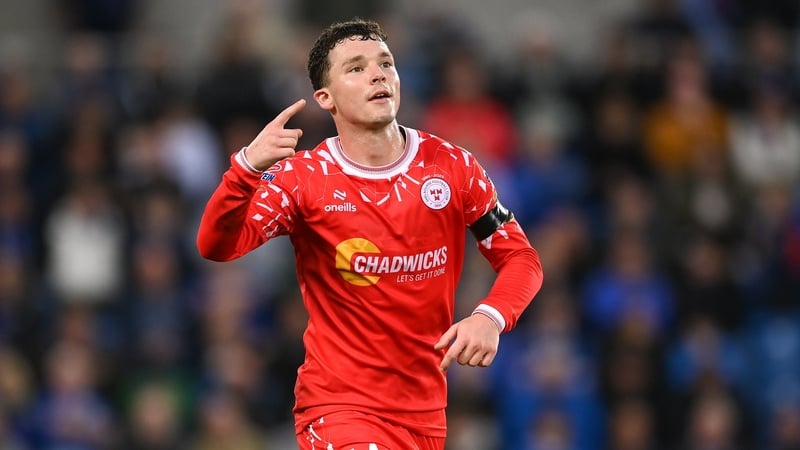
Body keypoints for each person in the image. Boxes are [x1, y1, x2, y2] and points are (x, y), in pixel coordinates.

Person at [196, 18, 543, 450]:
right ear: (326, 98)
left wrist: (490, 317)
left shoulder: (452, 167)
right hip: (338, 407)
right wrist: (246, 168)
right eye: (356, 68)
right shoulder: (302, 179)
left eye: (386, 63)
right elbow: (217, 246)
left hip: (425, 413)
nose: (378, 73)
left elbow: (521, 258)